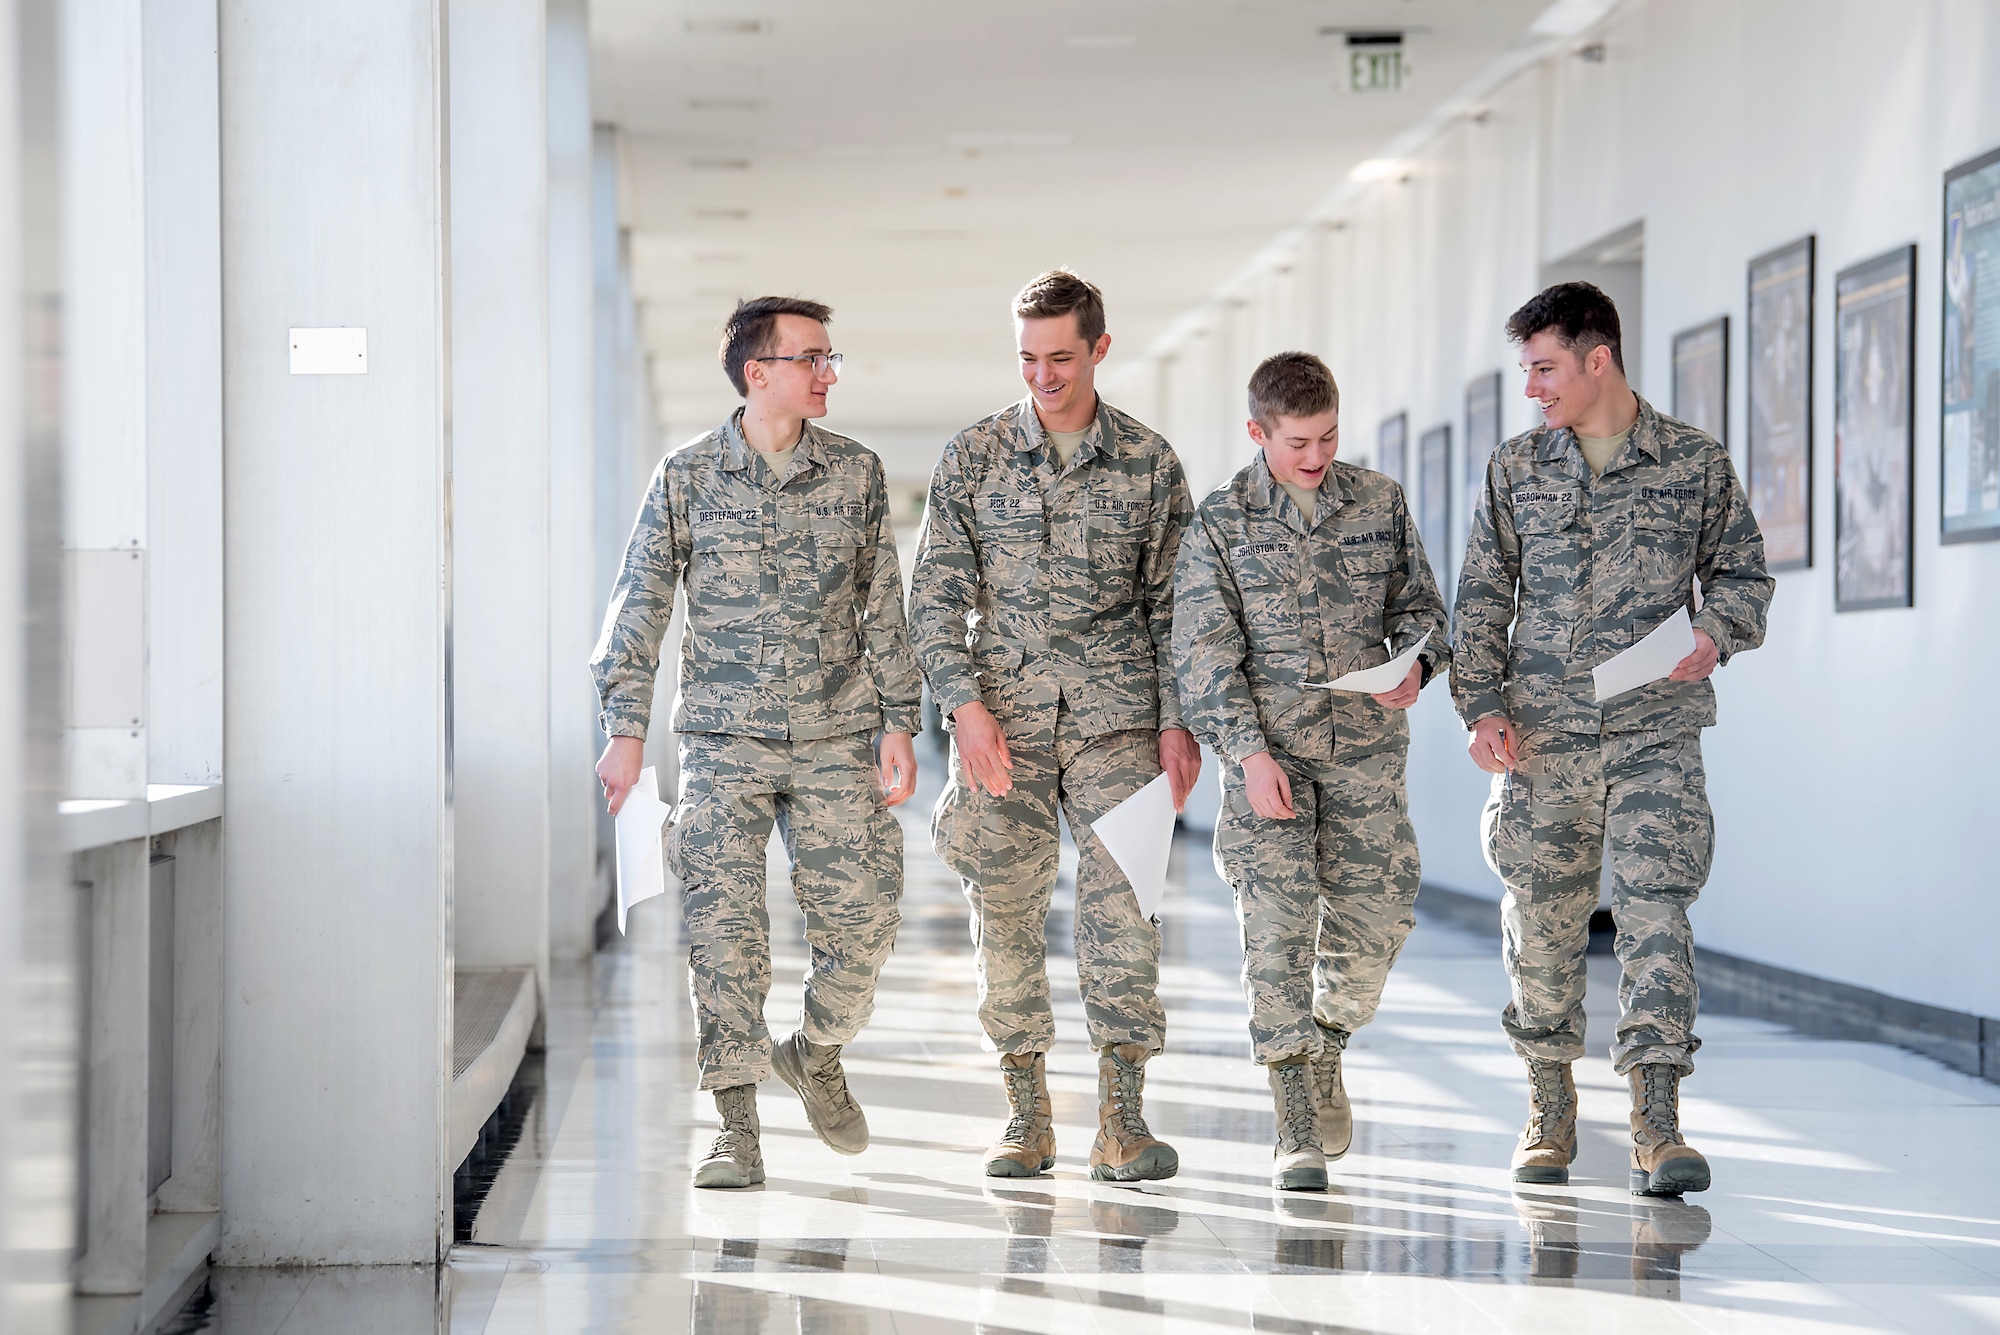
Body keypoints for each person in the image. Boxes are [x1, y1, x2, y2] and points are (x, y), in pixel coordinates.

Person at [591, 296, 922, 1190]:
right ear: (757, 373)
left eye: (830, 355)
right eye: (812, 356)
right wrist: (625, 731)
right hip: (722, 741)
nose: (828, 371)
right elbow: (639, 607)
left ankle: (814, 1049)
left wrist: (901, 719)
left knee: (865, 922)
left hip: (837, 733)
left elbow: (883, 605)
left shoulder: (856, 473)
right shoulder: (686, 476)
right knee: (723, 933)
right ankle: (736, 1126)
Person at [1454, 282, 1773, 1196]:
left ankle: (1658, 1122)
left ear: (1600, 359)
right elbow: (1482, 603)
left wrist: (1717, 633)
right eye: (1528, 371)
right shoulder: (1514, 471)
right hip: (1542, 742)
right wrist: (1480, 708)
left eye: (1545, 368)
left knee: (1655, 913)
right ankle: (1549, 1113)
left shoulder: (1693, 463)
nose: (1534, 389)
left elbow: (1745, 574)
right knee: (1542, 927)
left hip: (1654, 734)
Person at [907, 270, 1200, 1182]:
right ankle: (1026, 1114)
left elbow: (1178, 607)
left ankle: (1122, 1119)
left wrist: (1180, 725)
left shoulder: (1150, 463)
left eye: (1061, 357)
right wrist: (964, 708)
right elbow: (935, 598)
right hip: (1007, 726)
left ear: (1100, 349)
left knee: (1126, 919)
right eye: (1028, 357)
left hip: (1120, 725)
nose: (1042, 374)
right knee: (1006, 913)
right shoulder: (974, 456)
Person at [1173, 352, 1448, 1191]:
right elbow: (1203, 654)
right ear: (1258, 434)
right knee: (1278, 929)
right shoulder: (1219, 523)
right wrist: (1247, 754)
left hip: (1367, 753)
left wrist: (1418, 666)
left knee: (1378, 921)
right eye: (1298, 442)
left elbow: (1424, 608)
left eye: (1329, 436)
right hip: (1270, 760)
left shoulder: (1379, 502)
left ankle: (1328, 1042)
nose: (1317, 455)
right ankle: (1292, 1111)